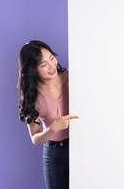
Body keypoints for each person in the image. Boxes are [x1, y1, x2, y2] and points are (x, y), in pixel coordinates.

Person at [17, 40, 78, 189]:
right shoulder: (32, 96)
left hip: (79, 144)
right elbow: (35, 138)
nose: (52, 66)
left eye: (51, 58)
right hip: (54, 153)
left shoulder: (71, 77)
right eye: (43, 65)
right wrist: (52, 129)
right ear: (33, 70)